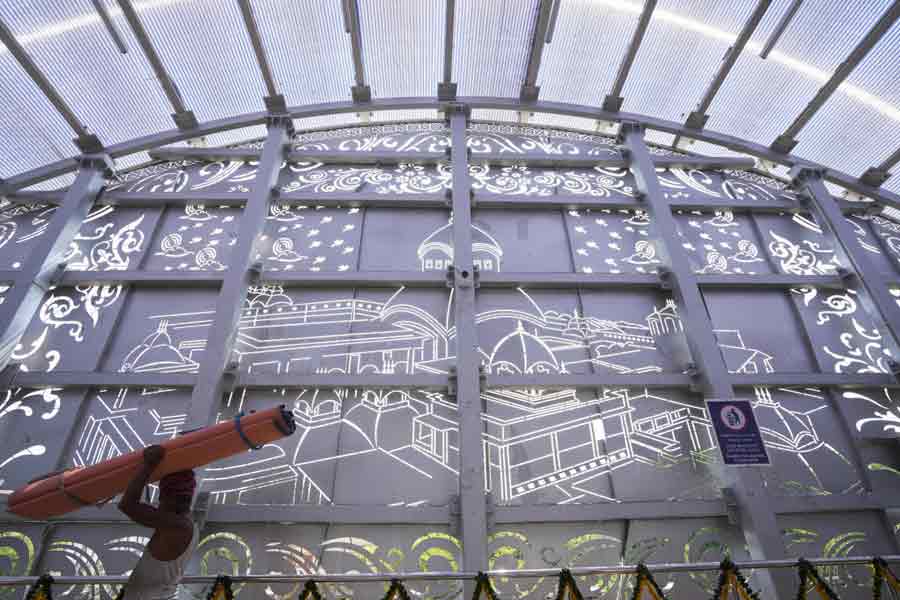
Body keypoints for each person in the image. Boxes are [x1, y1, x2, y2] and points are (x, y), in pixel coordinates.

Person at [118, 445, 198, 600]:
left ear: (167, 498)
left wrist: (149, 465)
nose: (158, 505)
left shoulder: (177, 526)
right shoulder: (189, 523)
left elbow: (127, 505)